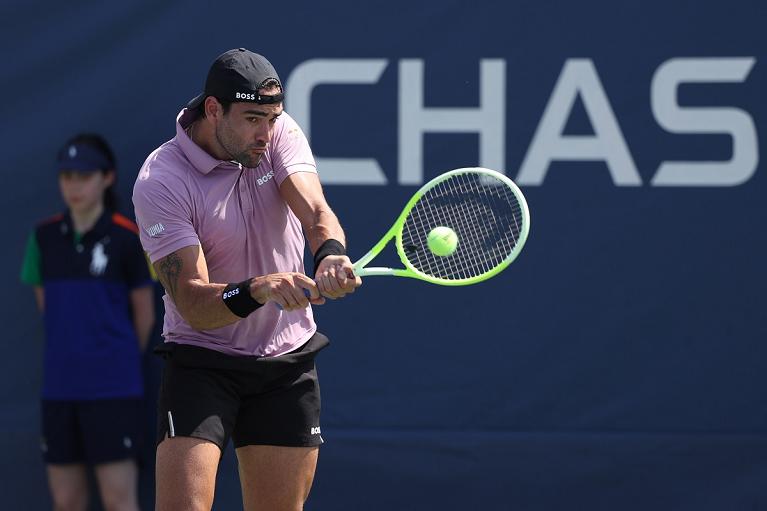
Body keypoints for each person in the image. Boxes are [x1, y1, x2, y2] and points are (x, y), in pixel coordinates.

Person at [132, 48, 361, 511]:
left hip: (285, 361)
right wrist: (259, 288)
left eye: (273, 118)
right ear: (213, 109)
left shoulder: (278, 136)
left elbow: (316, 212)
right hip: (202, 359)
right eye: (253, 118)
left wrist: (331, 255)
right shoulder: (161, 180)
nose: (266, 133)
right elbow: (193, 303)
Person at [20, 134, 155, 511]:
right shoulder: (43, 238)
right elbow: (48, 309)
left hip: (114, 390)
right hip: (60, 390)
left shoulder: (129, 239)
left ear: (107, 178)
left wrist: (118, 362)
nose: (74, 185)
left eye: (84, 175)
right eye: (66, 176)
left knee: (118, 500)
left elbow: (144, 314)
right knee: (67, 501)